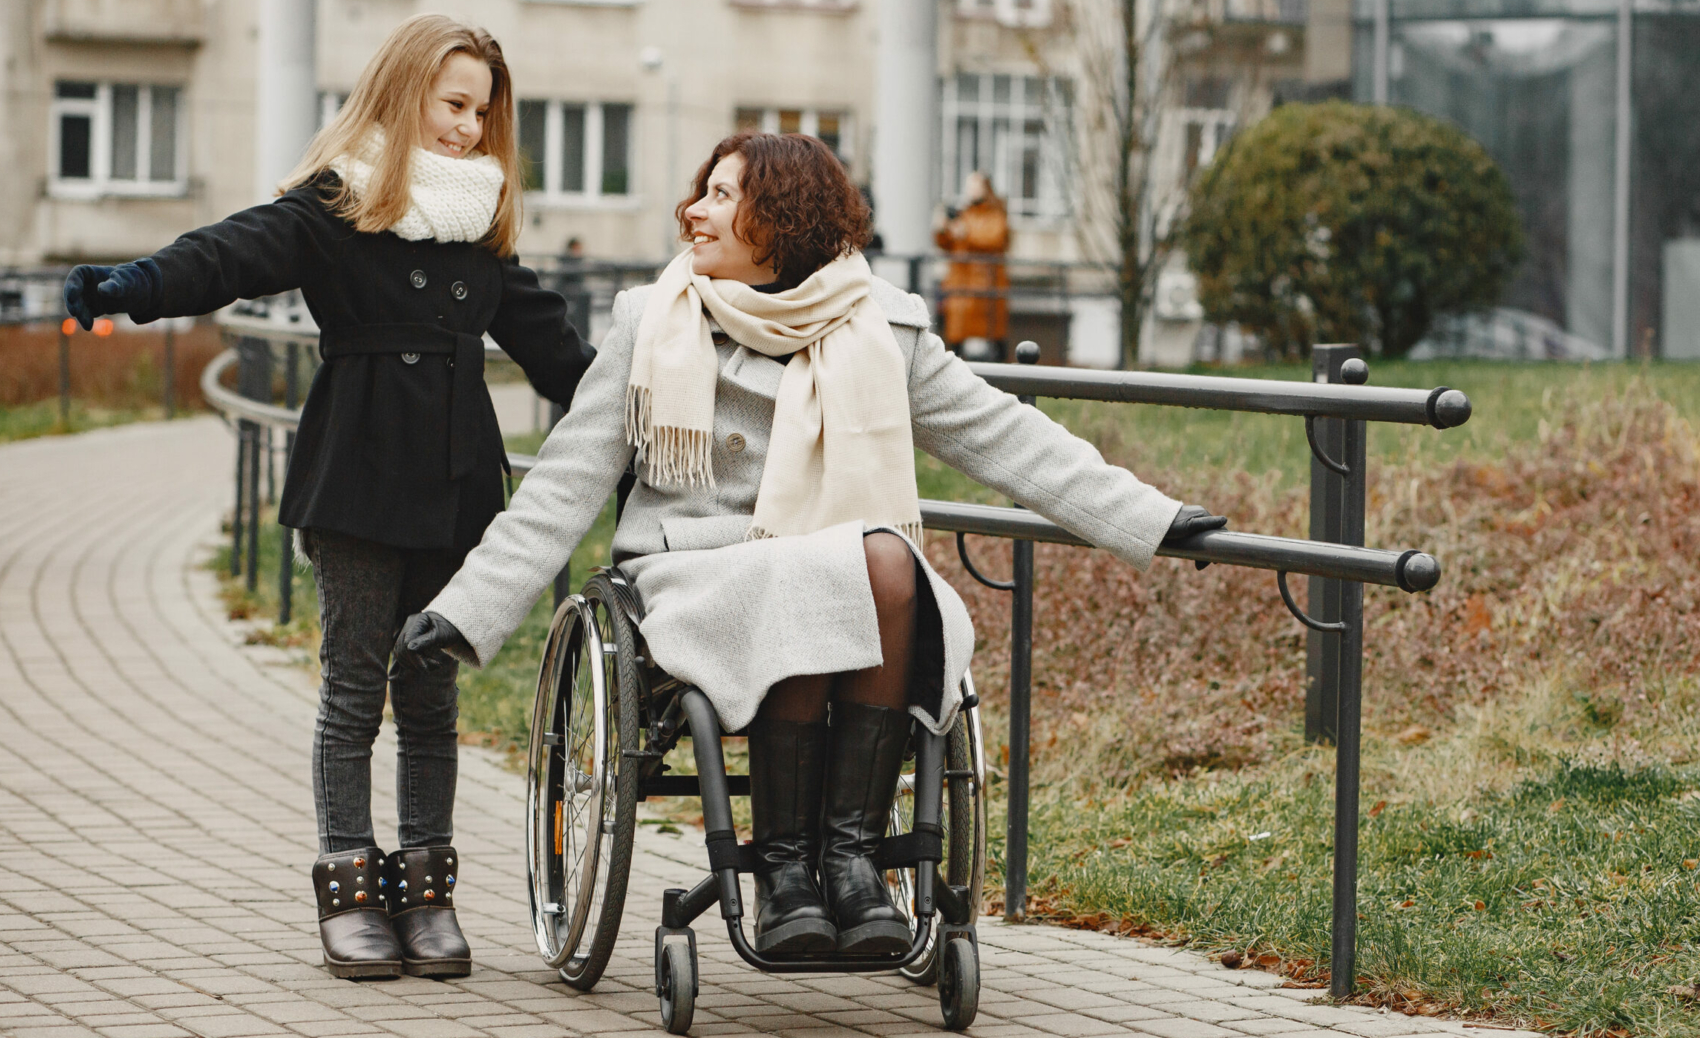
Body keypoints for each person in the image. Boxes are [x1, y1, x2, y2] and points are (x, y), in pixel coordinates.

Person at [395, 132, 1225, 959]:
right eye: (702, 190)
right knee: (811, 567)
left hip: (834, 562)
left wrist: (1152, 518)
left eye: (721, 196)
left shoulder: (882, 326)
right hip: (693, 575)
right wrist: (466, 609)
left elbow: (1007, 437)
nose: (693, 211)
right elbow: (564, 480)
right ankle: (786, 870)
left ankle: (852, 861)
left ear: (780, 220)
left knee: (889, 557)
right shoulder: (654, 322)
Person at [62, 14, 596, 981]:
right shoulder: (337, 202)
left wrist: (650, 404)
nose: (469, 128)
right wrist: (125, 285)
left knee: (429, 695)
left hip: (455, 485)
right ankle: (350, 892)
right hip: (355, 475)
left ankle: (426, 897)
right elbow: (226, 255)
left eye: (482, 112)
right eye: (453, 104)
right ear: (403, 93)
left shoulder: (480, 225)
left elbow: (557, 350)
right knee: (354, 691)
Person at [934, 172, 1011, 359]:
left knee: (994, 335)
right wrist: (943, 229)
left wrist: (965, 233)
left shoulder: (996, 214)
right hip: (961, 283)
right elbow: (945, 243)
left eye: (975, 186)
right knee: (957, 334)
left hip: (986, 284)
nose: (970, 191)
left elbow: (994, 238)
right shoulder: (964, 213)